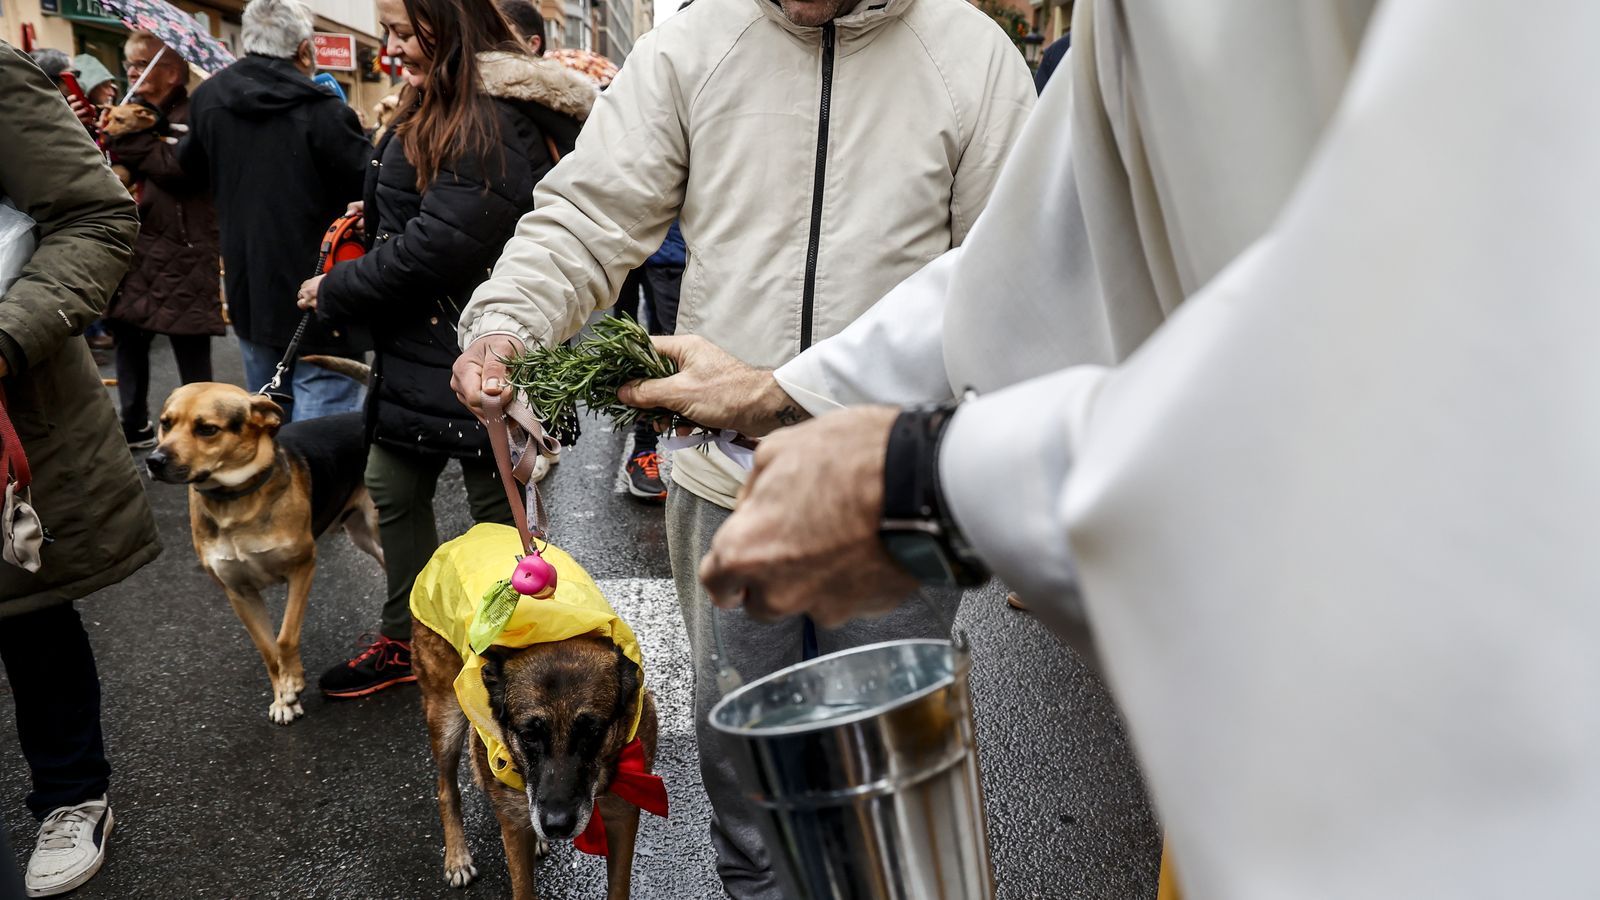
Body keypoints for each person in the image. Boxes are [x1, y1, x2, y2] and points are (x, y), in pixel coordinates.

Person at [621, 2, 1600, 897]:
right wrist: (783, 389)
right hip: (1251, 733)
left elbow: (1451, 347)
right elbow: (1056, 238)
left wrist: (929, 482)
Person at [446, 0, 1034, 892]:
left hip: (896, 487)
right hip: (726, 490)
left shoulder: (975, 57)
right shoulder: (691, 44)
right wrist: (505, 324)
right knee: (744, 765)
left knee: (881, 777)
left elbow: (1017, 278)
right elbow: (589, 215)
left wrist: (784, 392)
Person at [296, 0, 593, 699]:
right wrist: (380, 212)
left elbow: (448, 245)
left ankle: (511, 644)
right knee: (394, 488)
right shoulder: (441, 98)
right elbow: (429, 214)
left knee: (499, 509)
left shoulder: (487, 113)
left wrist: (338, 288)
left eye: (402, 31)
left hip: (477, 341)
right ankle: (407, 636)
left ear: (447, 25)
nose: (391, 46)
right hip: (419, 342)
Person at [0, 41, 159, 898]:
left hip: (12, 402)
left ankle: (72, 794)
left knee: (25, 607)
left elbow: (99, 218)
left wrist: (7, 334)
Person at [179, 0, 372, 421]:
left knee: (265, 416)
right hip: (321, 287)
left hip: (250, 286)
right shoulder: (324, 112)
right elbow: (370, 190)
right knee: (324, 426)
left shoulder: (210, 97)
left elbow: (188, 168)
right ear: (304, 51)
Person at [100, 31, 223, 448]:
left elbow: (180, 169)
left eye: (140, 63)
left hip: (184, 247)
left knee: (190, 345)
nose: (132, 71)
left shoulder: (198, 112)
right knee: (129, 337)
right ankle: (133, 424)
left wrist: (130, 141)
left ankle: (204, 430)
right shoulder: (129, 112)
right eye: (130, 63)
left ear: (170, 72)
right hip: (137, 244)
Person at [620, 221, 686, 501]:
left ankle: (649, 448)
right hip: (620, 241)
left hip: (670, 249)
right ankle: (643, 451)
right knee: (624, 341)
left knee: (669, 349)